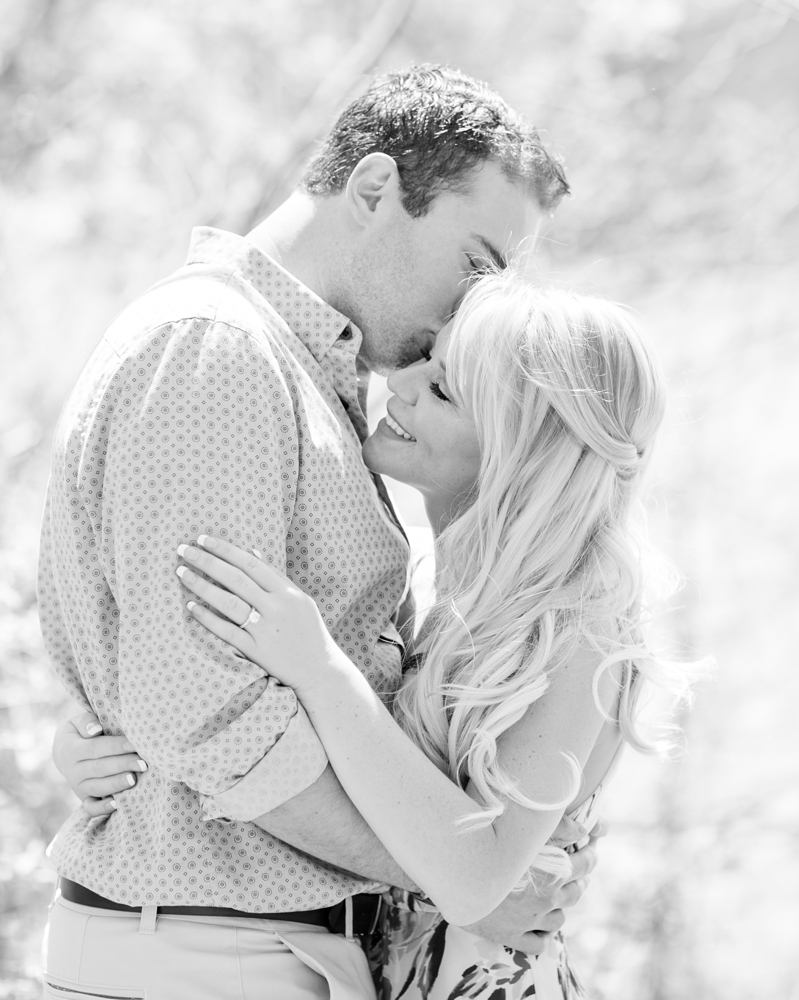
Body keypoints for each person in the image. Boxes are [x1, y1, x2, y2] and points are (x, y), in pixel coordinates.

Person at [37, 65, 594, 1000]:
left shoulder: (301, 372)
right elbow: (214, 722)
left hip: (261, 952)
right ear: (376, 189)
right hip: (205, 958)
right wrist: (457, 881)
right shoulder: (218, 351)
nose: (473, 309)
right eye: (476, 262)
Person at [56, 273, 688, 999]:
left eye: (446, 390)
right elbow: (355, 775)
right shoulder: (453, 601)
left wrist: (323, 671)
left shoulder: (582, 629)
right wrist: (111, 740)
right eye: (425, 357)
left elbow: (477, 873)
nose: (404, 382)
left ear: (523, 454)